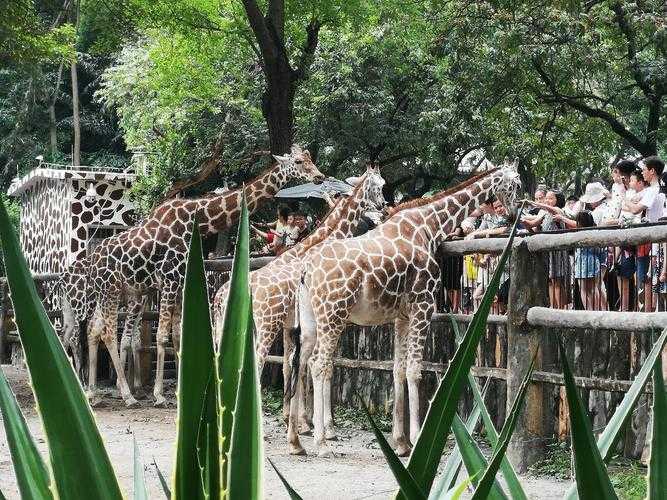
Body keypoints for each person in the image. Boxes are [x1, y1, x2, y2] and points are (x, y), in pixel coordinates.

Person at [623, 156, 665, 311]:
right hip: (651, 242)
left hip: (653, 242)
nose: (642, 172)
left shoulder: (654, 191)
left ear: (652, 171)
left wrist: (623, 198)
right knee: (649, 279)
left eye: (644, 169)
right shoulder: (653, 190)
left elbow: (634, 209)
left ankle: (649, 315)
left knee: (649, 280)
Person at [573, 210, 607, 310]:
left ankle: (589, 312)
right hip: (594, 261)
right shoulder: (595, 232)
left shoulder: (580, 233)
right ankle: (597, 311)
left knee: (583, 289)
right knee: (594, 288)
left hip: (583, 262)